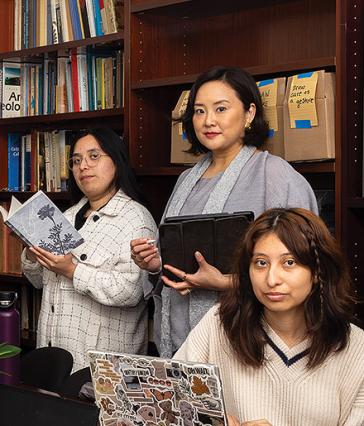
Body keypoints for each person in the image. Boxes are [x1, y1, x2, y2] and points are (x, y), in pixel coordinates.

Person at [130, 66, 318, 357]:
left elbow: (306, 267)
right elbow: (173, 257)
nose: (209, 121)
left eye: (221, 108)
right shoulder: (186, 180)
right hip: (183, 344)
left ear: (249, 113)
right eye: (199, 111)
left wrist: (222, 283)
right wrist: (155, 263)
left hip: (247, 342)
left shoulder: (275, 175)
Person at [174, 208, 364, 425]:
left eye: (289, 262)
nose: (272, 279)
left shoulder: (357, 349)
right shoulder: (220, 323)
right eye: (261, 263)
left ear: (318, 273)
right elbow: (170, 402)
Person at [22, 129, 157, 371]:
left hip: (101, 365)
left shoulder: (135, 219)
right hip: (53, 351)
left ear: (116, 161)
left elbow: (132, 291)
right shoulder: (65, 216)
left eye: (94, 156)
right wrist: (33, 252)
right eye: (76, 160)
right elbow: (40, 282)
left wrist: (73, 270)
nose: (83, 166)